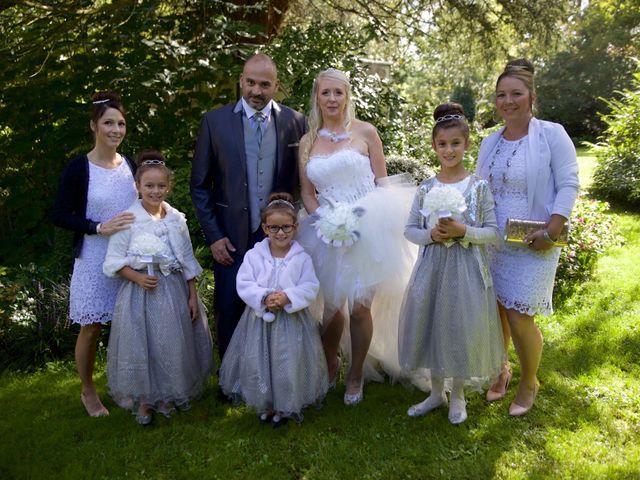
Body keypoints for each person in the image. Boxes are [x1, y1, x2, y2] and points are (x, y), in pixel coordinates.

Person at [297, 68, 416, 405]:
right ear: (317, 98)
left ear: (347, 96)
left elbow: (382, 181)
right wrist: (325, 219)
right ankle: (329, 362)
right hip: (326, 228)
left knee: (360, 308)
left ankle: (357, 372)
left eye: (338, 92)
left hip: (369, 225)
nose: (332, 99)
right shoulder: (308, 141)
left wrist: (377, 220)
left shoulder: (366, 132)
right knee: (331, 308)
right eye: (326, 93)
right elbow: (307, 192)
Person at [476, 59, 579, 416]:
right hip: (494, 241)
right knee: (497, 313)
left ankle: (528, 381)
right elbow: (478, 189)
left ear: (531, 96)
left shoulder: (551, 134)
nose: (508, 101)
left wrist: (552, 230)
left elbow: (569, 182)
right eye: (501, 95)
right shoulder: (490, 142)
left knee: (520, 316)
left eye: (515, 93)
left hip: (534, 239)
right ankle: (501, 370)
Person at [191, 53, 307, 363]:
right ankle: (230, 381)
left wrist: (290, 217)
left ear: (276, 86)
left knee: (277, 308)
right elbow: (200, 185)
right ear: (241, 80)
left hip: (278, 237)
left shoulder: (295, 122)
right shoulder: (214, 122)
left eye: (265, 84)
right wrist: (214, 236)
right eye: (251, 82)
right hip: (230, 237)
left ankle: (273, 376)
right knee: (229, 307)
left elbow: (303, 179)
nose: (256, 91)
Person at [398, 103, 504, 424]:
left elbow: (493, 233)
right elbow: (410, 230)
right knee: (432, 324)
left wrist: (463, 232)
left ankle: (457, 394)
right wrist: (431, 234)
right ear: (434, 146)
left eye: (455, 143)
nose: (449, 150)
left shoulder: (478, 188)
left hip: (465, 269)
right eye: (442, 144)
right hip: (432, 268)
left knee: (459, 325)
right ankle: (435, 392)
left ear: (466, 144)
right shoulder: (426, 188)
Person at [103, 151, 214, 425]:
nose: (155, 191)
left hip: (173, 290)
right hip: (141, 293)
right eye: (149, 186)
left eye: (160, 186)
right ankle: (144, 400)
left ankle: (166, 394)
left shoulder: (176, 218)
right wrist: (137, 277)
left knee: (170, 345)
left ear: (169, 187)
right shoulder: (128, 219)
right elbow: (114, 262)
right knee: (145, 346)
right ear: (138, 187)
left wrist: (192, 294)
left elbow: (187, 259)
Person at [52, 92, 138, 417]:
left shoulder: (130, 165)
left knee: (129, 323)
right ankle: (88, 391)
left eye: (120, 123)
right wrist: (98, 227)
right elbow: (60, 214)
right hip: (94, 258)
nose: (115, 129)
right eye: (108, 123)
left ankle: (125, 386)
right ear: (93, 126)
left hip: (128, 258)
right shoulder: (79, 168)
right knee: (92, 327)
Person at [218, 193, 328, 427]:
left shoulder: (301, 258)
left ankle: (285, 405)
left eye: (286, 227)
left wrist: (288, 296)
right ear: (265, 228)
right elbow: (245, 283)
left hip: (291, 321)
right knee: (262, 360)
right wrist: (264, 297)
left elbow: (310, 286)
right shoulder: (254, 255)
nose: (280, 233)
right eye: (274, 228)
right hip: (260, 321)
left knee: (287, 361)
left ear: (295, 227)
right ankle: (266, 402)